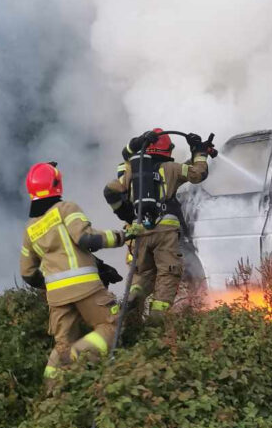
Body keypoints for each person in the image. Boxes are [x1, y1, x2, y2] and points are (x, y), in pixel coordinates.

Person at [19, 161, 142, 387]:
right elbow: (86, 238)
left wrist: (52, 284)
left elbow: (27, 273)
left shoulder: (30, 228)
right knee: (112, 327)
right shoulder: (66, 209)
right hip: (86, 288)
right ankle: (77, 356)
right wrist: (122, 236)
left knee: (62, 345)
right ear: (57, 184)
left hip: (56, 298)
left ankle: (53, 395)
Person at [103, 128, 210, 323]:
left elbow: (110, 191)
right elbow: (198, 174)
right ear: (166, 150)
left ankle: (133, 301)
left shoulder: (132, 171)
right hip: (166, 232)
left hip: (139, 231)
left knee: (143, 274)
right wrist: (200, 153)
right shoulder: (172, 169)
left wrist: (126, 215)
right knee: (168, 274)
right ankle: (156, 323)